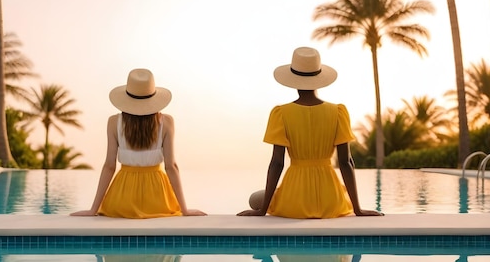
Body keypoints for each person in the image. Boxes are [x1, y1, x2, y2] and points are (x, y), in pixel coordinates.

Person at [237, 47, 383, 218]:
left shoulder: (280, 113)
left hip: (294, 201)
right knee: (341, 193)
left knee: (256, 199)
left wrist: (262, 211)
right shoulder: (338, 112)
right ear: (319, 79)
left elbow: (277, 163)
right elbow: (346, 162)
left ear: (292, 80)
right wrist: (358, 210)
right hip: (330, 201)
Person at [71, 68, 206, 218]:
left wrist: (93, 210)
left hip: (123, 199)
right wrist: (184, 209)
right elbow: (171, 167)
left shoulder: (114, 122)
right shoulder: (167, 122)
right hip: (157, 199)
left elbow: (109, 166)